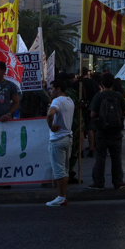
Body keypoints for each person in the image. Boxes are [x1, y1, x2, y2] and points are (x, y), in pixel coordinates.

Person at [88, 73, 125, 190]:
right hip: (116, 131)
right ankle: (118, 182)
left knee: (100, 157)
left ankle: (99, 182)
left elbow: (92, 114)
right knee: (116, 157)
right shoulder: (119, 96)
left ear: (102, 83)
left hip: (102, 131)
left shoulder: (99, 96)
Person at [45, 79, 75, 207]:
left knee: (59, 171)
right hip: (68, 138)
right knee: (64, 170)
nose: (50, 91)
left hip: (58, 139)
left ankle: (61, 197)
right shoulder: (69, 100)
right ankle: (62, 195)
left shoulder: (57, 101)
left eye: (51, 88)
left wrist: (51, 126)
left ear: (58, 89)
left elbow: (50, 114)